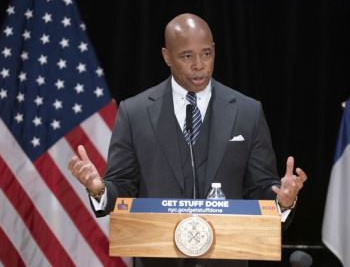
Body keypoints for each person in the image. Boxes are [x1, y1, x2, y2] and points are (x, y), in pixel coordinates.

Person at [67, 13, 307, 267]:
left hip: (226, 259)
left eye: (206, 54)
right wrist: (99, 189)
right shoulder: (134, 113)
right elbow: (123, 188)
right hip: (158, 259)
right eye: (186, 56)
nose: (199, 65)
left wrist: (282, 202)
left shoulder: (247, 112)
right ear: (167, 56)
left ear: (214, 50)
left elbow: (260, 189)